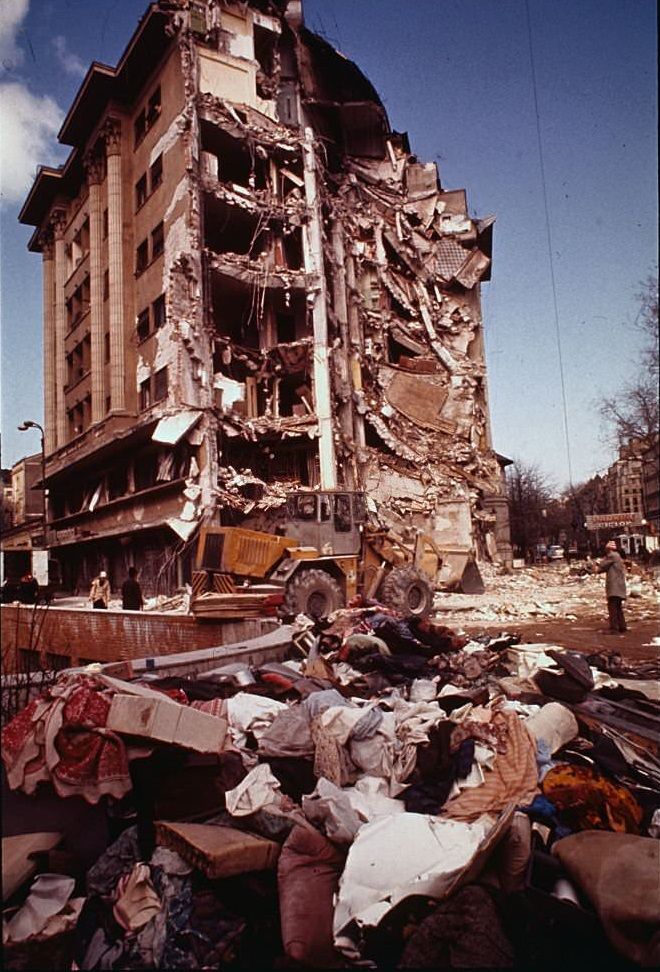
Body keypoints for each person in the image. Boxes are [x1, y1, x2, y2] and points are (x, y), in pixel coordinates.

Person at [593, 540, 627, 633]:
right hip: (619, 585)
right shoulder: (617, 556)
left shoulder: (612, 556)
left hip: (614, 586)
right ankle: (622, 626)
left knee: (612, 607)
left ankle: (614, 628)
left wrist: (596, 564)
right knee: (618, 607)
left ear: (608, 549)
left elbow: (601, 567)